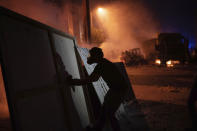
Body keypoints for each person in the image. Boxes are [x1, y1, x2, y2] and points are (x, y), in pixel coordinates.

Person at [69, 47, 128, 131]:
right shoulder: (103, 62)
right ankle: (97, 128)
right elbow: (94, 78)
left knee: (109, 113)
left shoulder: (101, 65)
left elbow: (91, 79)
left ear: (96, 56)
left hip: (118, 90)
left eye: (92, 55)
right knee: (104, 111)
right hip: (116, 89)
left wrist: (73, 82)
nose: (90, 57)